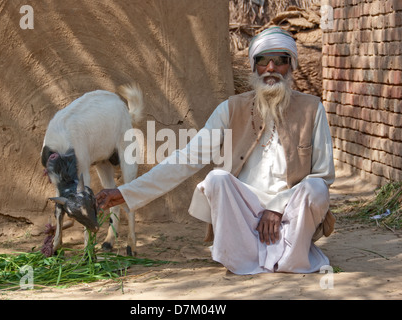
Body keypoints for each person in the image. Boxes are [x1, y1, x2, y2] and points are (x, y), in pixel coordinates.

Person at [96, 26, 336, 275]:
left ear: (291, 66)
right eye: (263, 60)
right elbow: (186, 159)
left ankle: (288, 256)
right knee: (217, 179)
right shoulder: (230, 109)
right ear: (254, 66)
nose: (271, 68)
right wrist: (126, 192)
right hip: (244, 214)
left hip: (290, 213)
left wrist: (277, 207)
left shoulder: (312, 109)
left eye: (280, 61)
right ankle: (248, 253)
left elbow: (323, 175)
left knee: (316, 188)